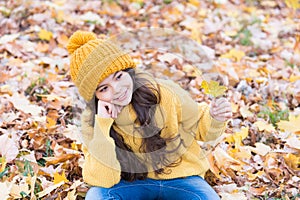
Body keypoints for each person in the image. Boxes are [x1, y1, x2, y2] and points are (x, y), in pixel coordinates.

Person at [67, 30, 232, 200]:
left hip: (183, 178)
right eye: (104, 88)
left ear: (129, 71)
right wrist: (103, 125)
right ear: (94, 96)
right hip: (129, 184)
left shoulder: (164, 93)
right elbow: (102, 180)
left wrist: (215, 117)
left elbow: (201, 128)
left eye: (118, 77)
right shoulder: (93, 121)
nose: (117, 90)